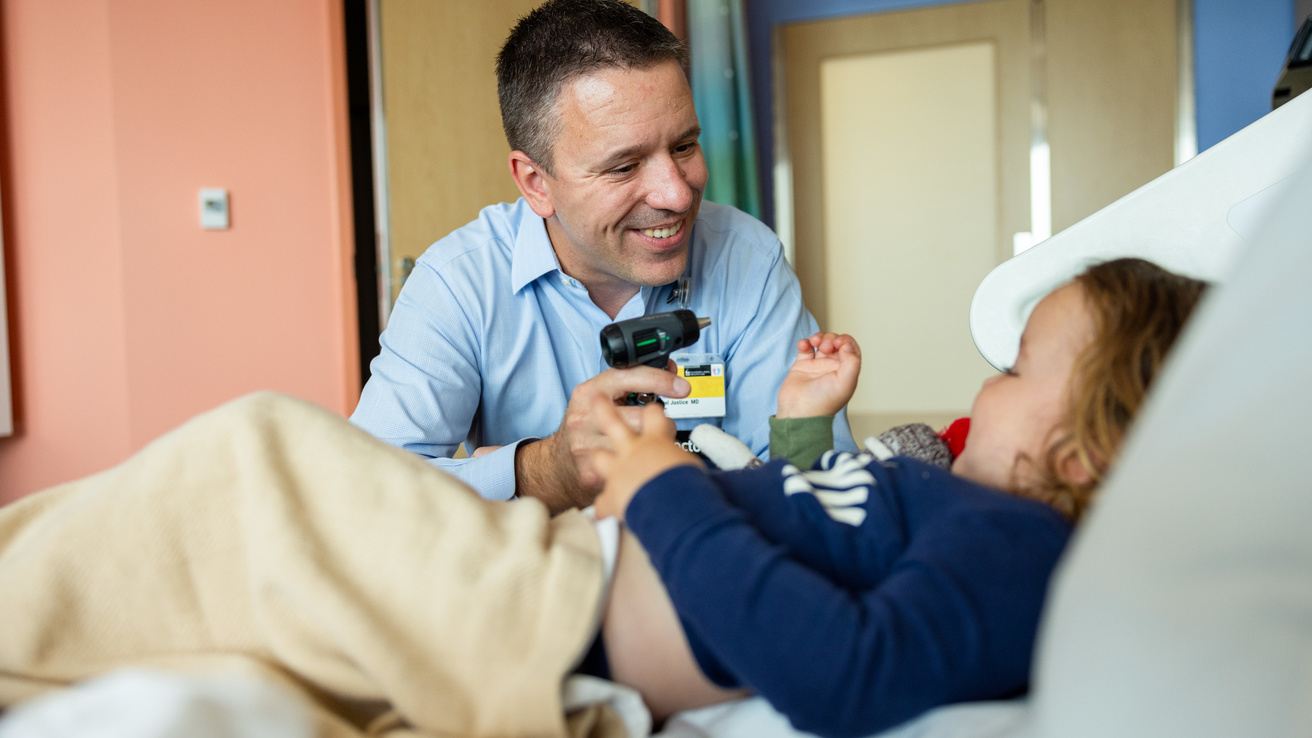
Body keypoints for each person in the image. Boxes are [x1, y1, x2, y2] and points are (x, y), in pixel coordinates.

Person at [0, 259, 1205, 738]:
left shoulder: (1015, 550)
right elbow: (824, 516)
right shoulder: (960, 505)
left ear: (1083, 452)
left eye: (1011, 371)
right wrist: (793, 417)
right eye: (624, 163)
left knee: (258, 456)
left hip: (570, 598)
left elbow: (843, 665)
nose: (978, 393)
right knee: (246, 569)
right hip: (559, 554)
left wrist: (660, 483)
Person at [350, 0, 853, 513]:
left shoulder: (748, 258)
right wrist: (539, 470)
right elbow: (360, 490)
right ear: (535, 183)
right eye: (624, 167)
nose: (677, 196)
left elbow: (820, 493)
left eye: (683, 147)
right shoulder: (459, 282)